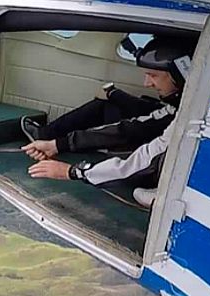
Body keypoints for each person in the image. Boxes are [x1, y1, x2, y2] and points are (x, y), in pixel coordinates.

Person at [21, 36, 193, 206]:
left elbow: (143, 161)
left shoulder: (190, 116)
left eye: (153, 75)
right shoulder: (179, 106)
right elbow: (134, 126)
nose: (146, 83)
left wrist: (73, 172)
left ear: (181, 76)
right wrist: (57, 145)